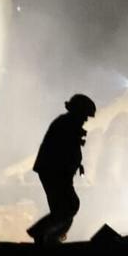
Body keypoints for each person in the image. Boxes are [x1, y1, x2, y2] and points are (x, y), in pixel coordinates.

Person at [26, 94, 95, 245]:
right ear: (78, 112)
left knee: (64, 207)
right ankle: (42, 232)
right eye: (85, 115)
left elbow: (70, 150)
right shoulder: (66, 124)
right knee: (69, 205)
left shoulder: (67, 123)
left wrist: (78, 164)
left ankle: (51, 237)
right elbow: (63, 150)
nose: (85, 120)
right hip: (55, 171)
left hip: (54, 171)